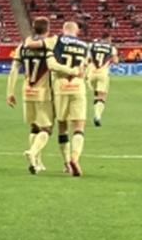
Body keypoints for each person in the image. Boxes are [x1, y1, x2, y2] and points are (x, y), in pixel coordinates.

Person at [6, 18, 55, 175]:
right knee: (46, 128)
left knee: (34, 126)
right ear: (47, 29)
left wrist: (10, 92)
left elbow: (14, 69)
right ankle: (33, 152)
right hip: (43, 92)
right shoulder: (49, 45)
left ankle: (38, 162)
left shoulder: (22, 46)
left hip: (27, 91)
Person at [46, 21, 90, 176]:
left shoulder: (56, 41)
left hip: (60, 86)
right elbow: (84, 70)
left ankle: (66, 164)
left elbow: (51, 63)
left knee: (62, 126)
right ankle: (75, 157)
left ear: (63, 30)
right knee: (79, 126)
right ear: (77, 31)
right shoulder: (85, 46)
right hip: (78, 86)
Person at [87, 33, 118, 127]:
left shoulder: (91, 45)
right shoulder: (111, 48)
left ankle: (96, 109)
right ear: (108, 39)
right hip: (103, 73)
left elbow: (87, 58)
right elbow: (116, 61)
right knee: (102, 96)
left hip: (91, 73)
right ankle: (97, 116)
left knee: (96, 94)